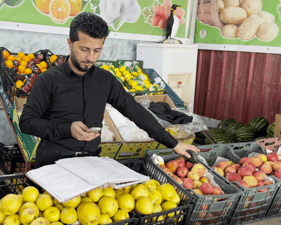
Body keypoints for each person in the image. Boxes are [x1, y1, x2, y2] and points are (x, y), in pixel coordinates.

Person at [19, 12, 199, 168]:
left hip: (90, 163)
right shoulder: (48, 80)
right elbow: (27, 122)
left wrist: (174, 143)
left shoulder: (105, 80)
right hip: (53, 163)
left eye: (97, 50)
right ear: (69, 43)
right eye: (84, 49)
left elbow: (137, 112)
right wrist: (67, 129)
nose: (90, 57)